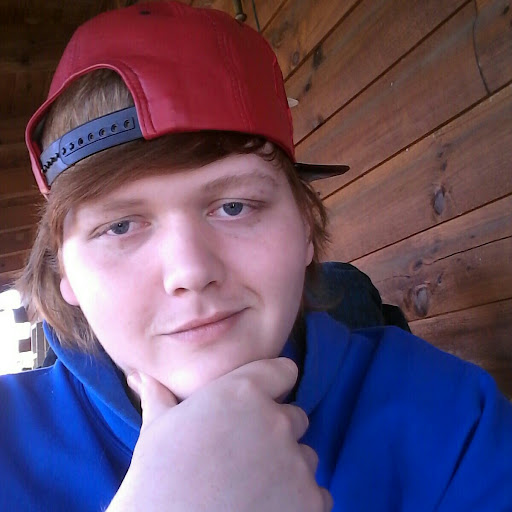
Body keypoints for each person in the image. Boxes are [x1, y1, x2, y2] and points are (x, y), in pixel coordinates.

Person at [0, 2, 511, 511]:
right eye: (119, 226)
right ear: (65, 271)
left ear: (306, 226)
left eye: (234, 206)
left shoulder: (452, 418)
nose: (190, 271)